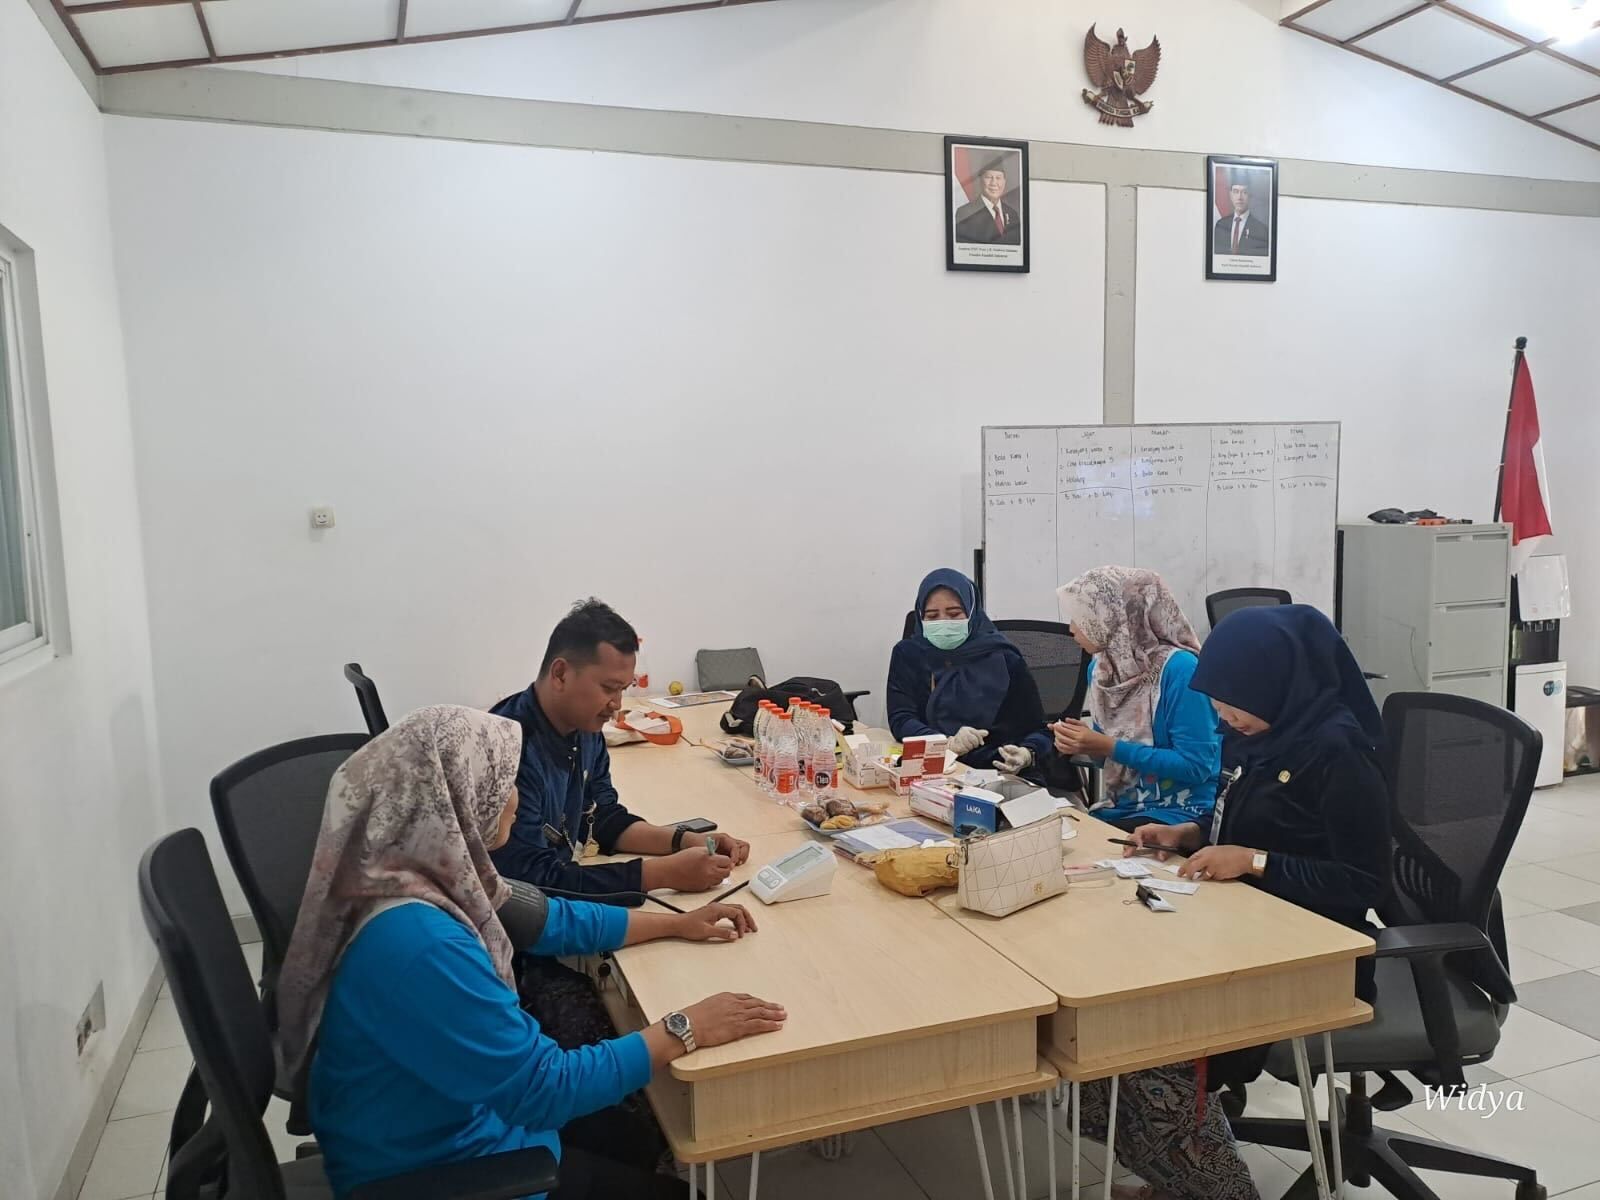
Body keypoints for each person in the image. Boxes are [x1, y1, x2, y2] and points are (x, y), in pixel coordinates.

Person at [276, 705, 786, 1200]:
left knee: (634, 1136)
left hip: (451, 1113)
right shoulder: (422, 943)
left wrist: (675, 924)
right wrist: (687, 1028)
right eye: (502, 781)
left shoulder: (425, 870)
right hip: (442, 1165)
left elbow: (549, 920)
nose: (516, 796)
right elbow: (545, 1090)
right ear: (455, 795)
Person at [1104, 605, 1391, 1200]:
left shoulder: (1338, 752)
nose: (1222, 714)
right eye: (1217, 699)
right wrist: (1187, 837)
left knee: (1150, 1042)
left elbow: (1364, 882)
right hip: (1247, 927)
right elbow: (1248, 822)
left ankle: (1207, 1183)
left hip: (1316, 952)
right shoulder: (1257, 737)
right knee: (1118, 1007)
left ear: (1278, 682)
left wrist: (1257, 862)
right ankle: (1176, 1171)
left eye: (1234, 700)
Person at [491, 599, 751, 902]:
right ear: (560, 674)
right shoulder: (507, 750)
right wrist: (660, 875)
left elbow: (602, 818)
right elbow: (532, 883)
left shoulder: (584, 728)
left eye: (623, 690)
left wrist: (686, 840)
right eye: (608, 687)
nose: (617, 705)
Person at [1053, 566, 1220, 831]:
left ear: (1115, 617)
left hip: (1181, 816)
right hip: (1122, 808)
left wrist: (1108, 746)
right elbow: (1106, 757)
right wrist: (1081, 743)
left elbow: (1196, 766)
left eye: (1081, 618)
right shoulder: (1102, 669)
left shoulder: (1180, 670)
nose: (1072, 629)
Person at [886, 569, 1051, 772]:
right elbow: (901, 718)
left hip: (996, 769)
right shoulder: (909, 653)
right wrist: (944, 743)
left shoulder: (1004, 658)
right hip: (933, 763)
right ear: (920, 618)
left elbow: (1037, 727)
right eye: (932, 616)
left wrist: (1027, 753)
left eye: (954, 614)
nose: (943, 622)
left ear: (972, 612)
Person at [954, 161, 1022, 245]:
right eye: (989, 177)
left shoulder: (1012, 214)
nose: (993, 183)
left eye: (998, 178)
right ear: (980, 180)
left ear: (1004, 181)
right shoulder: (965, 213)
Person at [1211, 178, 1270, 257]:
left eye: (1244, 192)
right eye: (1236, 192)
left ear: (1250, 195)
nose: (1239, 197)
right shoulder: (1220, 225)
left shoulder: (1262, 230)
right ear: (1230, 195)